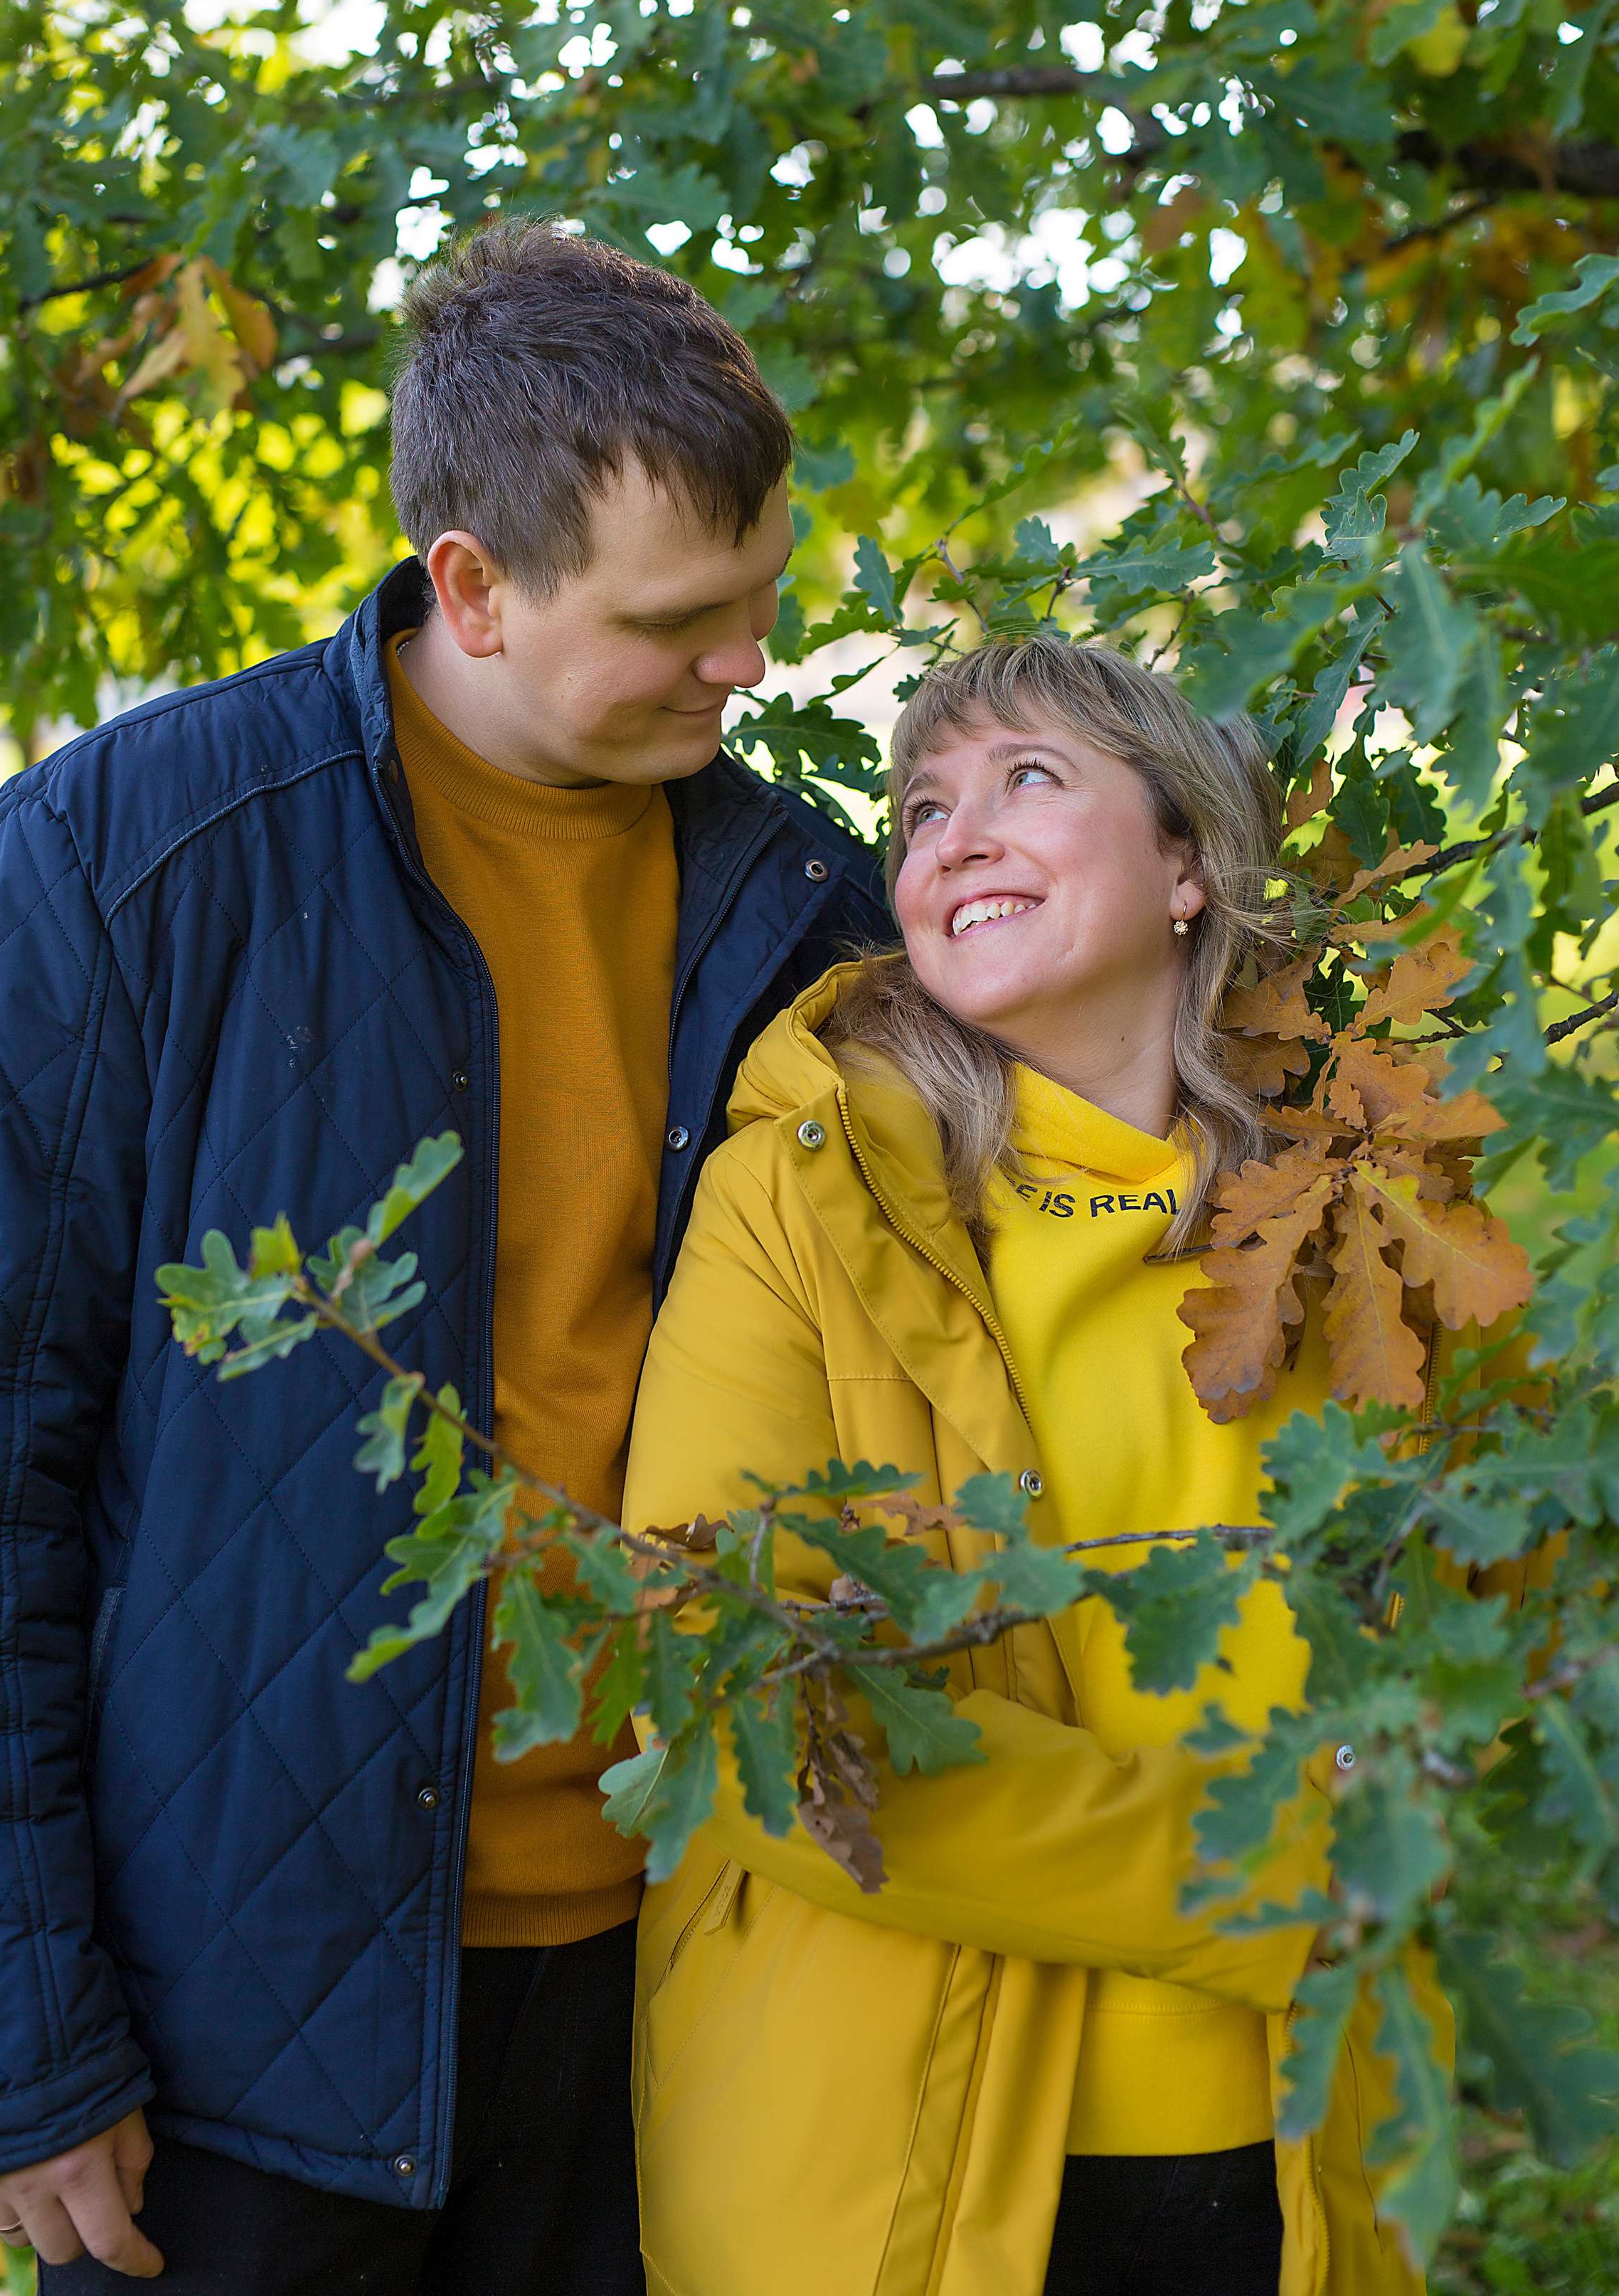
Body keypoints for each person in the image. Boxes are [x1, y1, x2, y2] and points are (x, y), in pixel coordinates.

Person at [0, 223, 889, 2292]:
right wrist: (12, 2033)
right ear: (470, 584)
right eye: (679, 620)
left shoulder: (802, 903)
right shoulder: (128, 859)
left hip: (693, 1952)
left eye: (764, 604)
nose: (745, 666)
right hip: (242, 2015)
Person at [624, 635, 1455, 2296]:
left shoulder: (1358, 1218)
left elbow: (1482, 1603)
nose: (954, 837)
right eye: (920, 810)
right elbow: (731, 1684)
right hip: (892, 2152)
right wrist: (1281, 1869)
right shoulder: (807, 1199)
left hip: (1300, 2134)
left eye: (1026, 779)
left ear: (1185, 871)